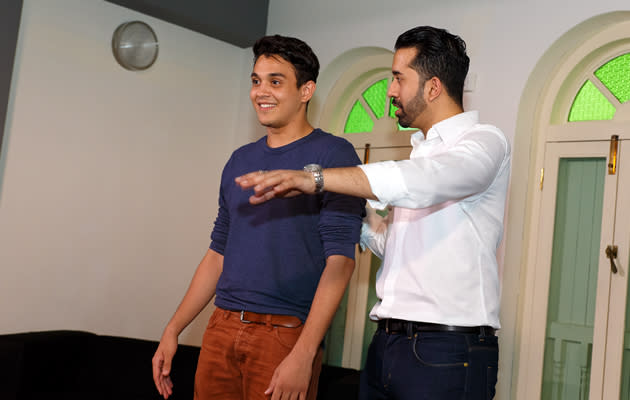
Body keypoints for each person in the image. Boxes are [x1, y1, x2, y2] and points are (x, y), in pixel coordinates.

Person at [236, 26, 511, 399]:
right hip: (388, 343)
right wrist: (349, 206)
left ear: (432, 87)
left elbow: (428, 181)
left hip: (447, 350)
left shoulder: (484, 142)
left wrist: (317, 179)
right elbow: (391, 242)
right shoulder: (422, 151)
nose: (391, 90)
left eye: (398, 78)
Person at [152, 35, 365, 400]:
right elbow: (218, 252)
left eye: (275, 81)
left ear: (306, 90)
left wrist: (304, 352)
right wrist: (173, 328)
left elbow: (341, 263)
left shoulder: (334, 154)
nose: (260, 91)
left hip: (283, 334)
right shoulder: (239, 160)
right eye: (255, 81)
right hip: (221, 326)